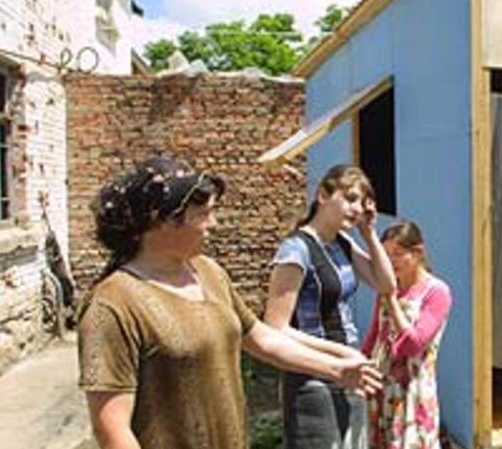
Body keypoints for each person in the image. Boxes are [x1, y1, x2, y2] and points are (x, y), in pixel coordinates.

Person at [77, 155, 381, 449]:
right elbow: (111, 430)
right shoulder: (113, 305)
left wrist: (336, 369)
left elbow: (261, 339)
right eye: (204, 213)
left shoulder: (209, 273)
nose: (214, 223)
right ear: (164, 221)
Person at [264, 164, 397, 449]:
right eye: (349, 198)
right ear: (323, 196)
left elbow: (386, 284)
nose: (357, 208)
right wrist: (340, 352)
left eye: (362, 202)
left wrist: (369, 233)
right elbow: (275, 327)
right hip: (312, 376)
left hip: (349, 370)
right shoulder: (296, 249)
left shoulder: (342, 243)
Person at [362, 221, 452, 449]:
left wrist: (392, 300)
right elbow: (374, 336)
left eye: (398, 254)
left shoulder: (436, 292)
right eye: (386, 255)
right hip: (381, 387)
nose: (391, 261)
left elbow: (414, 343)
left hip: (413, 389)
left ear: (417, 252)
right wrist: (361, 368)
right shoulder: (387, 289)